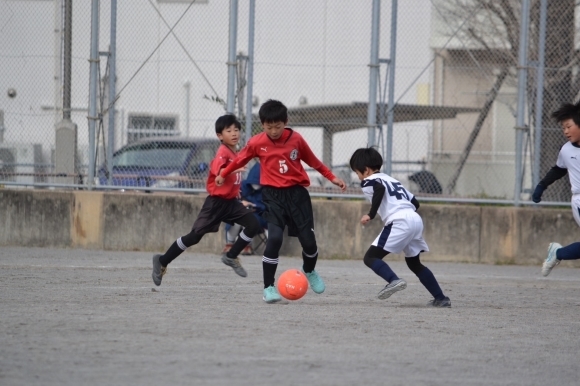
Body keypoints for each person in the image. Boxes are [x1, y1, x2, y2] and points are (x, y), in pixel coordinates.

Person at [215, 99, 347, 303]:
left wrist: (332, 177)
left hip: (297, 196)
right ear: (263, 124)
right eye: (269, 127)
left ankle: (309, 270)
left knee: (309, 242)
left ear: (285, 122)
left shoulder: (297, 140)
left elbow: (313, 161)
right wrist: (224, 173)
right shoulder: (257, 142)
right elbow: (241, 159)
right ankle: (268, 287)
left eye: (278, 126)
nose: (274, 131)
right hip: (273, 196)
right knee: (274, 239)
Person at [151, 114, 262, 286]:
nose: (234, 133)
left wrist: (237, 192)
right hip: (216, 204)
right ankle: (162, 260)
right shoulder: (223, 152)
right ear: (220, 136)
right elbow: (219, 170)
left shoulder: (236, 152)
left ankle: (231, 256)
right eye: (229, 130)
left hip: (231, 203)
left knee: (253, 224)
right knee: (194, 237)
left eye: (236, 129)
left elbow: (233, 180)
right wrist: (234, 169)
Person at [349, 147, 451, 307]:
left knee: (370, 258)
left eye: (357, 173)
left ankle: (393, 280)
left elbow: (379, 189)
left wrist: (371, 214)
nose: (358, 177)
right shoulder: (392, 180)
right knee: (414, 263)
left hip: (399, 221)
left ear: (366, 170)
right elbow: (415, 203)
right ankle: (441, 298)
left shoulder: (368, 181)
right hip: (415, 219)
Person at [532, 101, 580, 276]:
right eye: (563, 128)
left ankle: (557, 253)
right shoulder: (566, 150)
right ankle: (557, 253)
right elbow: (558, 170)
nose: (565, 131)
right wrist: (541, 186)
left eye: (568, 126)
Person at [222, 161, 267, 255]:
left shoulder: (266, 190)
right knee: (235, 219)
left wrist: (254, 206)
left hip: (260, 215)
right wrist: (242, 203)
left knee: (249, 220)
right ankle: (229, 244)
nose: (256, 185)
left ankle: (247, 246)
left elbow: (267, 206)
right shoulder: (243, 186)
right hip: (241, 212)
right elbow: (233, 199)